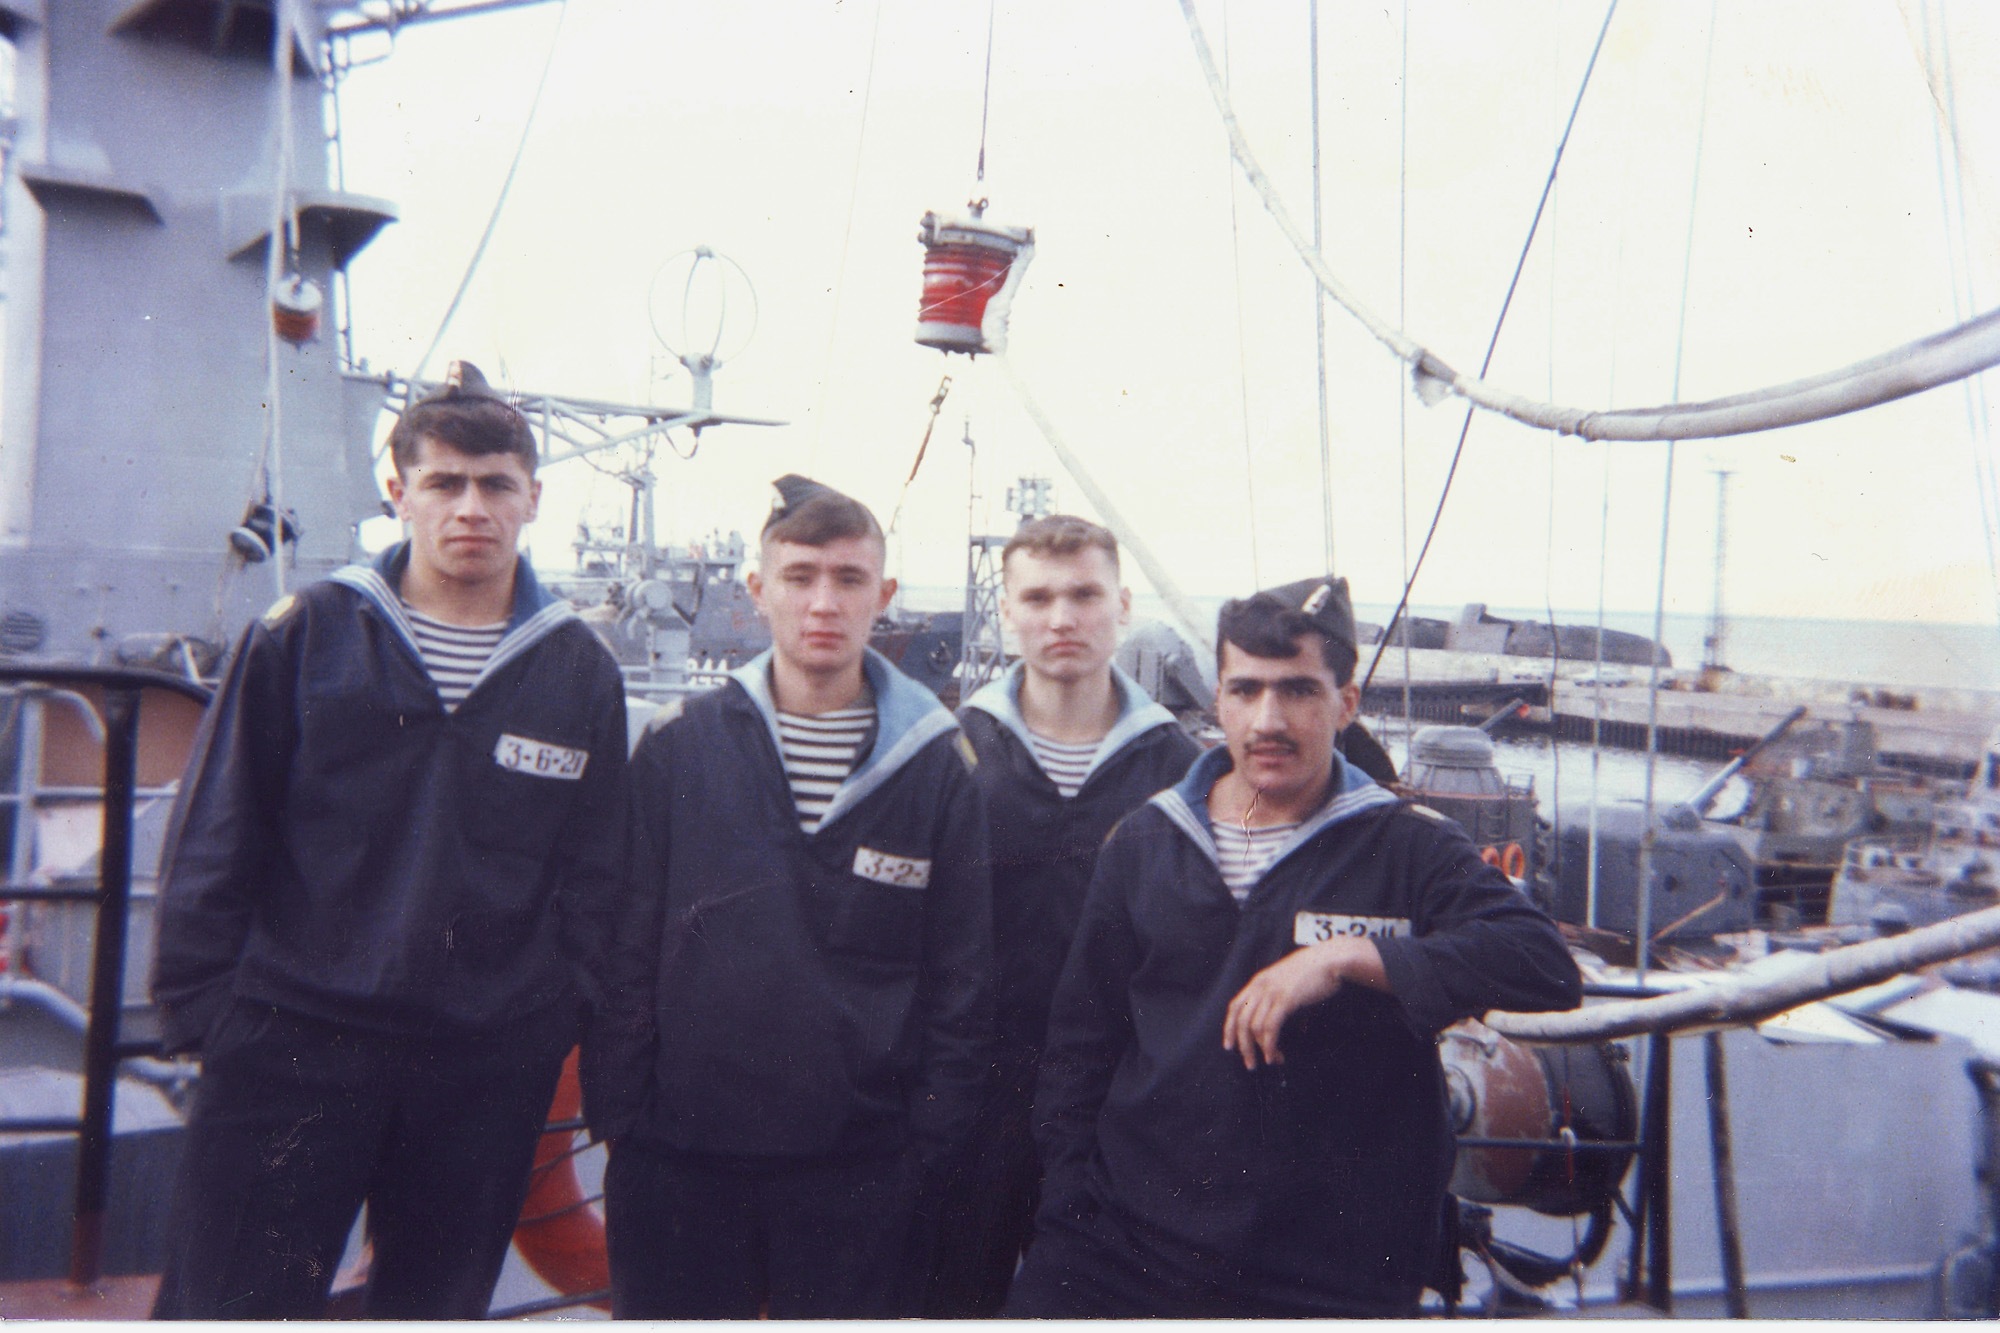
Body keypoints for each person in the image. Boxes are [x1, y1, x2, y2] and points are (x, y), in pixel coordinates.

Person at [149, 362, 630, 1319]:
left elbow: (599, 873)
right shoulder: (307, 633)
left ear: (533, 498)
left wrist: (547, 1024)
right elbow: (218, 828)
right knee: (230, 1300)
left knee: (431, 1306)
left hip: (480, 1065)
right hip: (293, 1041)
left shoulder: (578, 671)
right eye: (444, 482)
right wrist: (210, 1019)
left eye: (495, 484)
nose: (471, 507)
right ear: (398, 491)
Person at [1004, 574, 1582, 1318]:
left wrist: (1348, 958)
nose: (1268, 719)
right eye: (1245, 690)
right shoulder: (1144, 842)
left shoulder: (1407, 847)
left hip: (1329, 1274)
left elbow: (1541, 963)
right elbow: (1080, 1050)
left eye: (1299, 690)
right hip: (1125, 1250)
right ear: (1218, 699)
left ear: (1346, 703)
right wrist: (1067, 1213)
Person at [584, 475, 993, 1320]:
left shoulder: (935, 767)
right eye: (799, 576)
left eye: (848, 578)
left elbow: (962, 972)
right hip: (679, 1157)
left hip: (861, 1167)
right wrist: (624, 1114)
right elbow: (624, 941)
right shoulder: (679, 746)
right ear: (758, 589)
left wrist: (928, 1137)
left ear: (883, 594)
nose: (823, 602)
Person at [925, 514, 1197, 1316]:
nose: (1062, 618)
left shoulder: (1181, 769)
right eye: (1038, 598)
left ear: (1123, 604)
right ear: (1007, 610)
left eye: (1084, 594)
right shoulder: (950, 754)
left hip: (1118, 1104)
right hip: (974, 1098)